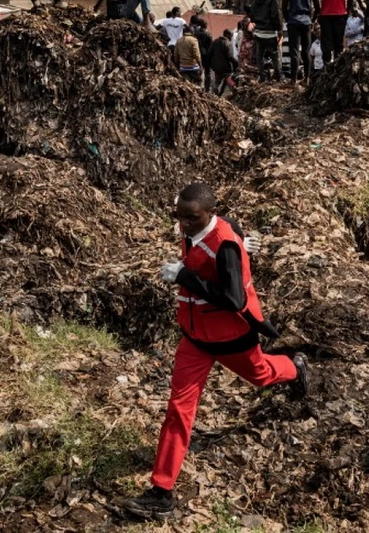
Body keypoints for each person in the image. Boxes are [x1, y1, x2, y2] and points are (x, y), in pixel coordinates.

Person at [123, 183, 310, 519]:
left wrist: (188, 276)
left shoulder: (224, 246)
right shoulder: (202, 225)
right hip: (195, 339)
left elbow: (235, 300)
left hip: (231, 338)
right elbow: (232, 227)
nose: (183, 225)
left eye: (191, 219)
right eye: (179, 217)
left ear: (209, 213)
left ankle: (295, 368)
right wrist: (243, 240)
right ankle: (162, 493)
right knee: (178, 410)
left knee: (262, 375)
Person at [281, 0, 315, 82]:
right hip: (306, 21)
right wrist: (313, 19)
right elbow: (317, 5)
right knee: (306, 51)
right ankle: (307, 78)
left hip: (293, 22)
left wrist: (287, 19)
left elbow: (284, 7)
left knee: (294, 51)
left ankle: (293, 79)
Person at [250, 0, 283, 82]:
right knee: (275, 55)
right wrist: (279, 29)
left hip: (258, 32)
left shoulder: (256, 0)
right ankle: (278, 76)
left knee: (259, 56)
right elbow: (275, 15)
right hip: (270, 33)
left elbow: (252, 14)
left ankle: (262, 77)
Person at [207, 29, 238, 97]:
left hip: (217, 67)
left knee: (217, 81)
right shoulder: (227, 43)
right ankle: (234, 90)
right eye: (230, 36)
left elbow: (209, 53)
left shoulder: (215, 42)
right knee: (228, 78)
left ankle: (214, 95)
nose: (231, 38)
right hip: (226, 67)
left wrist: (210, 64)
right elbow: (229, 56)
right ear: (227, 35)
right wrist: (236, 63)